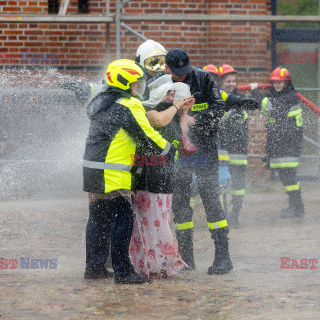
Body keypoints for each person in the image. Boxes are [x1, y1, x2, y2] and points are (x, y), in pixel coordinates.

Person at [83, 59, 175, 285]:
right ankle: (124, 271)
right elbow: (147, 136)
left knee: (98, 220)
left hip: (92, 171)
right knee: (123, 220)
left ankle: (94, 268)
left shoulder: (101, 102)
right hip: (113, 174)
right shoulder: (129, 104)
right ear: (125, 83)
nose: (139, 88)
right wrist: (168, 149)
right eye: (136, 84)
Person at [158, 49, 233, 275]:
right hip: (177, 151)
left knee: (210, 198)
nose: (181, 76)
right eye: (176, 72)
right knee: (180, 204)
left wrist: (194, 119)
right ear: (167, 68)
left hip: (205, 150)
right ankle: (186, 258)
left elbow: (219, 108)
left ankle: (223, 256)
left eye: (184, 71)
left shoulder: (204, 79)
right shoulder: (161, 83)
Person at [130, 74, 196, 278]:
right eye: (168, 93)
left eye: (173, 93)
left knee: (161, 221)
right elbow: (157, 121)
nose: (172, 96)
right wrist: (177, 107)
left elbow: (181, 137)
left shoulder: (173, 113)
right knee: (150, 223)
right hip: (149, 175)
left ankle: (160, 264)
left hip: (167, 175)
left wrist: (183, 113)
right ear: (159, 94)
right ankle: (156, 264)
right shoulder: (148, 110)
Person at [250, 67, 305, 218]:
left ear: (287, 83)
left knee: (289, 176)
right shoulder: (278, 96)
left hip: (289, 144)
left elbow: (268, 107)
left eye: (280, 82)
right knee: (286, 176)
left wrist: (255, 92)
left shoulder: (290, 97)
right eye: (274, 82)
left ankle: (296, 207)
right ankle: (297, 206)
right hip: (281, 143)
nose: (277, 85)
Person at [217, 64, 250, 227]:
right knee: (222, 184)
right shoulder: (217, 98)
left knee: (238, 185)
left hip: (238, 149)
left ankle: (235, 214)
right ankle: (222, 214)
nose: (231, 84)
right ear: (221, 82)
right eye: (228, 81)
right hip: (222, 149)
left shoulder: (240, 98)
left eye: (233, 81)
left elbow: (241, 117)